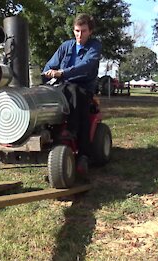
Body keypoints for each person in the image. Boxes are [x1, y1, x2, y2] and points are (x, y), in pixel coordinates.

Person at [42, 13, 102, 174]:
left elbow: (87, 66)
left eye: (83, 31)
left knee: (75, 92)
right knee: (44, 94)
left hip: (83, 87)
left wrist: (62, 73)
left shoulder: (94, 47)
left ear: (90, 31)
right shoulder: (66, 46)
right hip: (61, 86)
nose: (79, 35)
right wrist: (48, 72)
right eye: (77, 31)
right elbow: (49, 65)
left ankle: (82, 153)